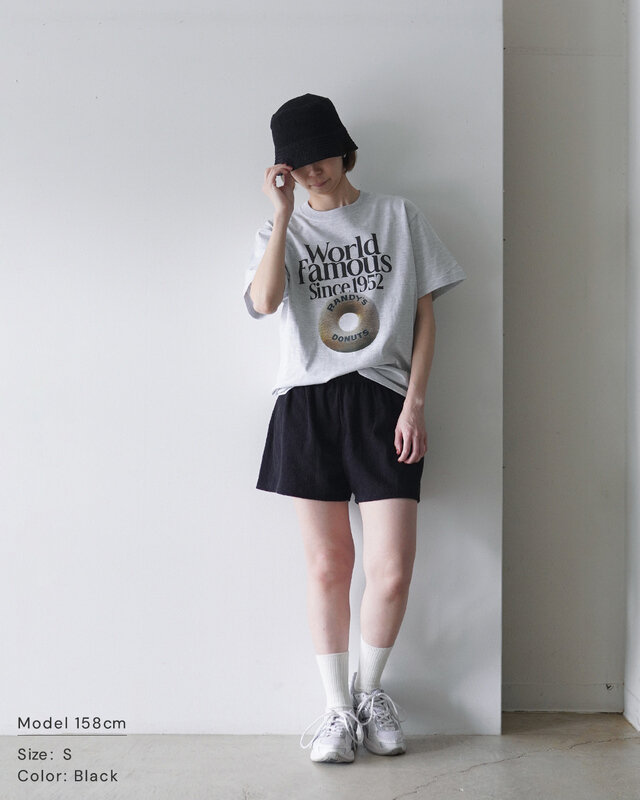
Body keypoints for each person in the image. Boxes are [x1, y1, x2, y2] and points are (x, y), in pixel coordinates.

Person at [243, 93, 466, 764]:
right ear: (283, 169)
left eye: (321, 154)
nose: (312, 169)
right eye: (297, 162)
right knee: (328, 566)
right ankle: (336, 711)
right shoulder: (277, 230)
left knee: (391, 569)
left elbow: (425, 316)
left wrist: (415, 404)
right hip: (306, 405)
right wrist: (284, 215)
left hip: (382, 401)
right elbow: (264, 303)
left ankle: (370, 695)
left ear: (344, 148)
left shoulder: (398, 216)